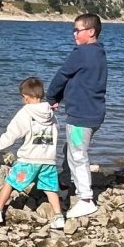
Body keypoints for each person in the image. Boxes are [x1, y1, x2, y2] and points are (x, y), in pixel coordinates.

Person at [0, 77, 65, 230]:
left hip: (29, 160)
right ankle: (59, 217)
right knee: (50, 188)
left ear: (25, 97)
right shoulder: (51, 113)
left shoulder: (25, 112)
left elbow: (12, 133)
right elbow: (56, 132)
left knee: (10, 182)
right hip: (48, 160)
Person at [46, 12, 107, 219]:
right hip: (95, 113)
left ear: (90, 32)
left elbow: (62, 75)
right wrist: (60, 98)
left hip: (82, 116)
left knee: (78, 155)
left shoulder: (81, 53)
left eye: (77, 30)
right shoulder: (99, 53)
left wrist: (51, 97)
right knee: (70, 149)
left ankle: (86, 199)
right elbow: (77, 81)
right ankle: (65, 182)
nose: (74, 34)